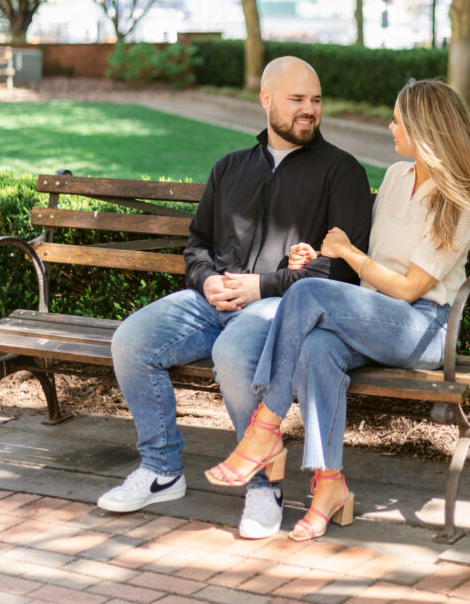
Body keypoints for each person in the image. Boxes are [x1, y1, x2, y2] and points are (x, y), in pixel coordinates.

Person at [97, 56, 373, 540]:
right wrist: (205, 281)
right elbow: (197, 243)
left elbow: (345, 270)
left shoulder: (342, 172)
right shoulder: (229, 168)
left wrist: (262, 286)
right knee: (132, 340)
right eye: (297, 100)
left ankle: (265, 487)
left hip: (281, 307)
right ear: (266, 101)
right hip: (212, 300)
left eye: (316, 100)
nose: (309, 110)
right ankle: (162, 470)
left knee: (233, 352)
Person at [204, 78, 470, 541]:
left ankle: (266, 427)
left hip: (423, 328)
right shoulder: (397, 177)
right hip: (374, 313)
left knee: (306, 295)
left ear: (423, 127)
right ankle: (329, 486)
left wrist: (348, 255)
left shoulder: (459, 202)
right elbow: (367, 253)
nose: (389, 124)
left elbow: (410, 288)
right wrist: (317, 256)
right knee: (316, 347)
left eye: (397, 118)